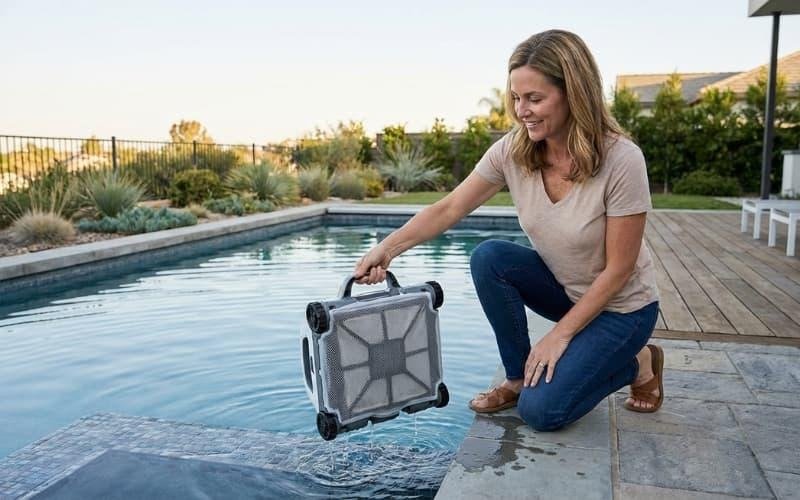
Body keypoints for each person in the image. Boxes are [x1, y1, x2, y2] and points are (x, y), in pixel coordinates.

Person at [353, 29, 663, 432]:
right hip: (569, 293)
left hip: (623, 309)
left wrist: (559, 336)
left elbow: (620, 270)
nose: (522, 110)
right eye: (516, 98)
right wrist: (388, 248)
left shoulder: (622, 159)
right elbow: (451, 207)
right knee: (490, 258)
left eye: (535, 99)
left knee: (542, 413)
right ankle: (517, 378)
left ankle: (638, 362)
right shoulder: (514, 150)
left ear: (574, 94)